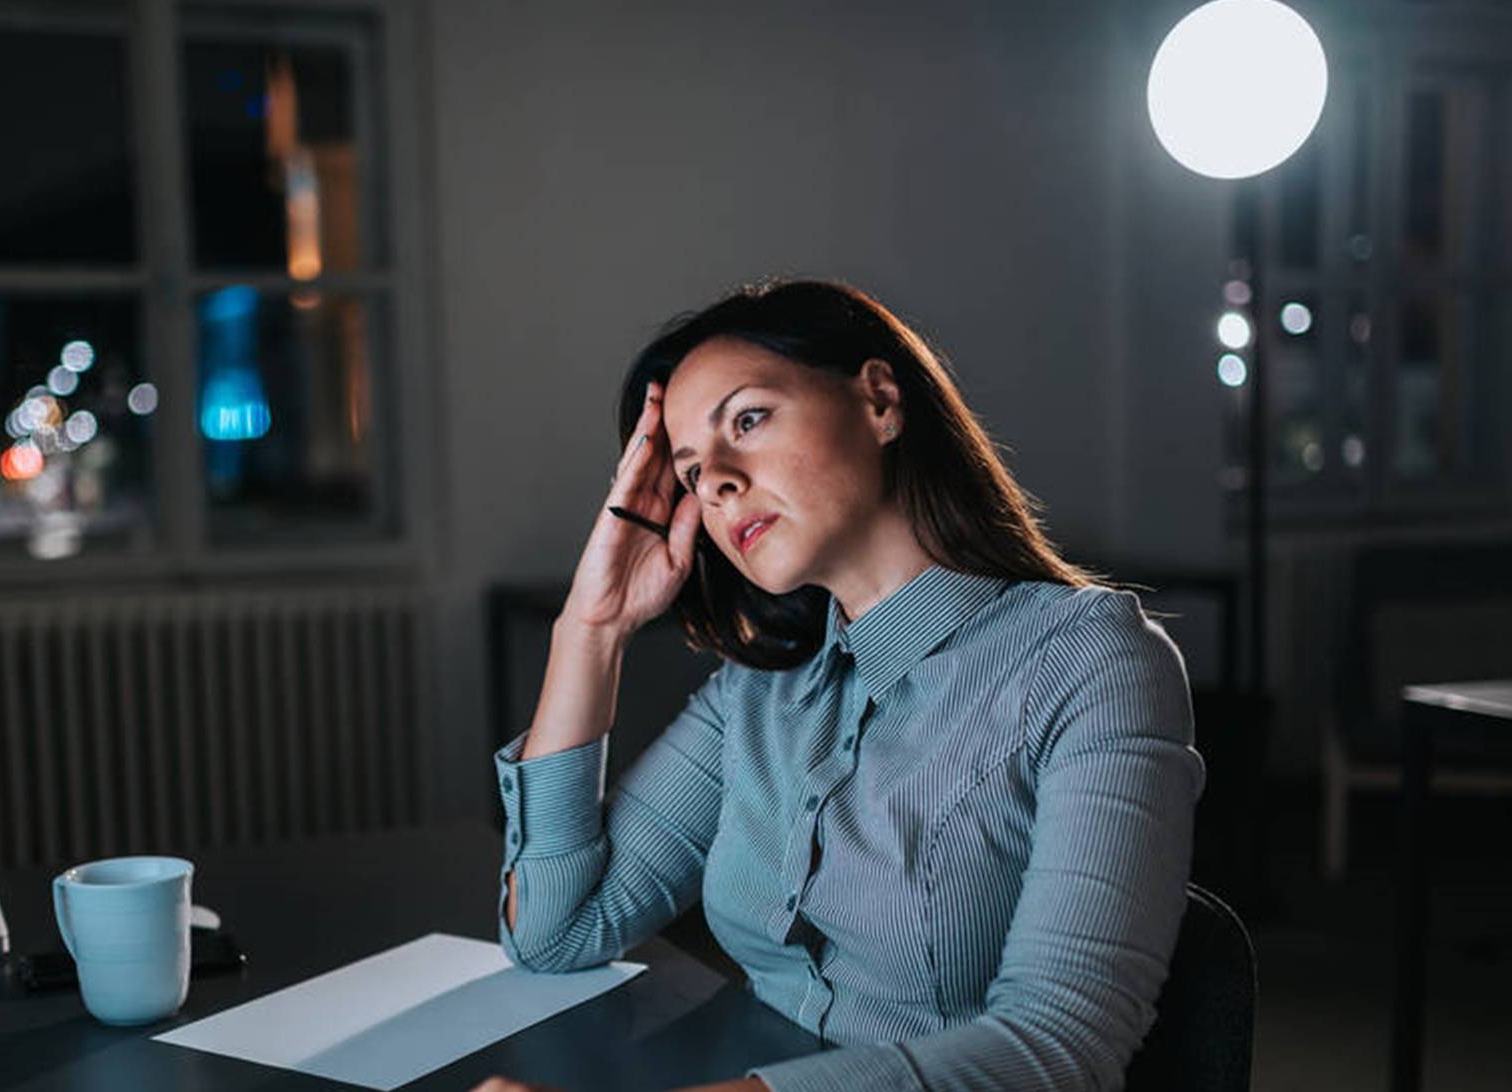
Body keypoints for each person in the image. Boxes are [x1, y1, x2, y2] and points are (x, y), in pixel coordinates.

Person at [471, 279, 1205, 1092]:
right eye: (687, 474)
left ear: (880, 400)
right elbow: (557, 931)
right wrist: (592, 628)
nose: (713, 480)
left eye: (746, 420)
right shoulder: (756, 693)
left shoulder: (1090, 662)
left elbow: (1059, 1049)